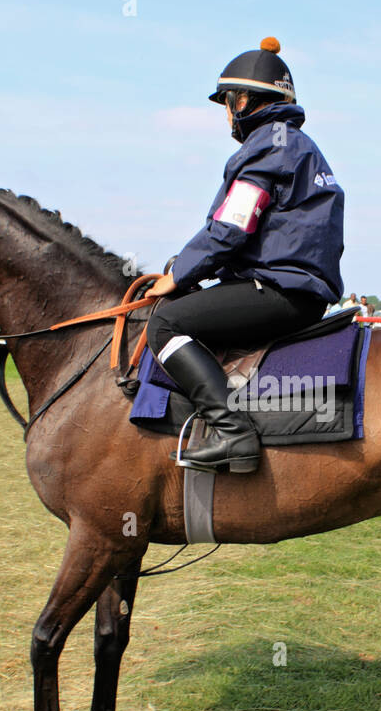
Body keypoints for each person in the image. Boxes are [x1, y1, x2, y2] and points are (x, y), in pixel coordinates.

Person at [144, 38, 343, 474]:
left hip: (277, 291)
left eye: (227, 103)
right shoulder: (296, 143)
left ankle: (233, 434)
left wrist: (178, 274)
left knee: (165, 322)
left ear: (245, 100)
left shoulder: (269, 146)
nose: (227, 114)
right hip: (297, 288)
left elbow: (232, 226)